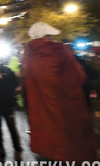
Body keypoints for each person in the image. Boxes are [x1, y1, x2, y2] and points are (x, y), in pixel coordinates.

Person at [22, 22, 97, 163]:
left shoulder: (27, 56)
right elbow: (78, 77)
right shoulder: (59, 51)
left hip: (40, 124)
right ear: (48, 36)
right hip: (64, 119)